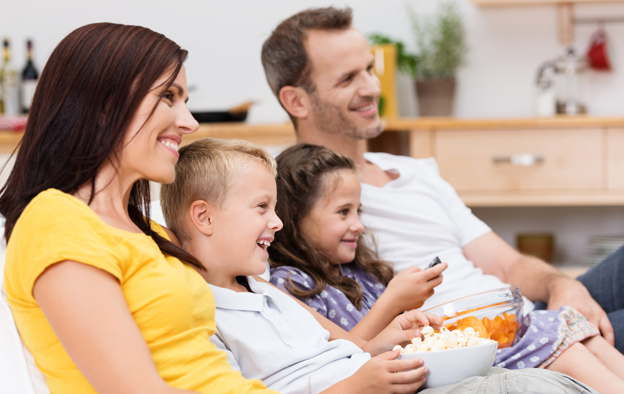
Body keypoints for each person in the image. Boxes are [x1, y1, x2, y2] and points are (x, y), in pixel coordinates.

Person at [260, 6, 624, 354]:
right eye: (348, 78)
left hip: (527, 312)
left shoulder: (415, 171)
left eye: (369, 69)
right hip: (490, 340)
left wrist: (562, 285)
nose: (372, 87)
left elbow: (507, 264)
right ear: (297, 101)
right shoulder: (291, 195)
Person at [160, 137, 595, 394]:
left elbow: (353, 348)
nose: (277, 222)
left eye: (275, 207)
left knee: (548, 384)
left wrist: (392, 337)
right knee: (539, 386)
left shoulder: (266, 290)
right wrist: (357, 384)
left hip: (382, 380)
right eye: (261, 207)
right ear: (204, 217)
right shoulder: (198, 308)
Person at [0, 23, 278, 394]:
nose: (190, 122)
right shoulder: (56, 221)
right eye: (169, 97)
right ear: (105, 106)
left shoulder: (150, 233)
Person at [268, 143, 624, 393]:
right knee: (559, 337)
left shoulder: (359, 271)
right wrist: (394, 302)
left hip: (469, 334)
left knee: (573, 327)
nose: (358, 224)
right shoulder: (290, 285)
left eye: (359, 211)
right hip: (431, 368)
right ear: (295, 218)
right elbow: (349, 353)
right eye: (343, 212)